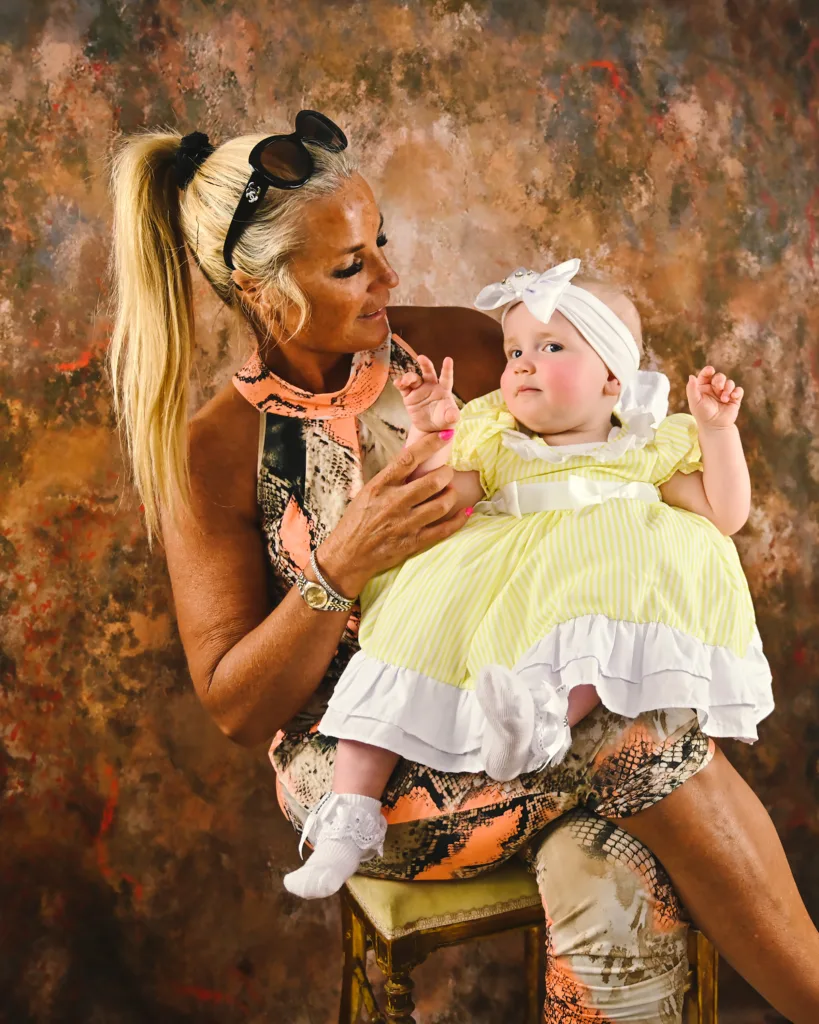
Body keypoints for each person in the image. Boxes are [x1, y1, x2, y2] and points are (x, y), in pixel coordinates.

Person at [108, 110, 819, 1022]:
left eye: (381, 244)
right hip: (366, 764)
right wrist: (340, 564)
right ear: (257, 285)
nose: (389, 278)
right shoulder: (213, 450)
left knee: (605, 842)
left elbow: (604, 456)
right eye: (348, 266)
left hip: (523, 687)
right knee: (643, 743)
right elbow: (238, 705)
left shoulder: (464, 347)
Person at [283, 257, 773, 902]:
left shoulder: (644, 450)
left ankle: (538, 724)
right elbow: (438, 498)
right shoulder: (496, 439)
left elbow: (723, 514)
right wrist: (430, 434)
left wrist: (717, 431)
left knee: (604, 620)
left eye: (551, 346)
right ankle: (346, 824)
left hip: (585, 586)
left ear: (611, 379)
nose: (520, 363)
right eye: (516, 349)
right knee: (403, 648)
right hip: (497, 584)